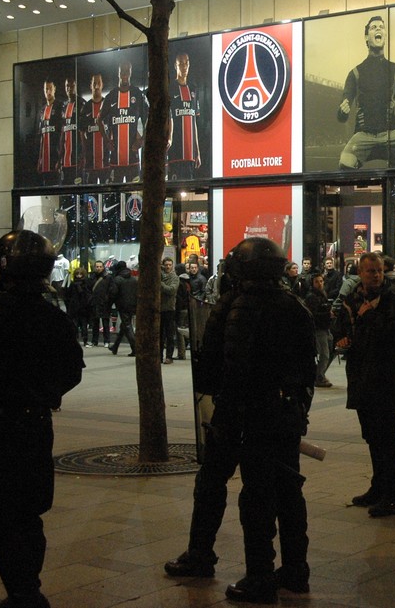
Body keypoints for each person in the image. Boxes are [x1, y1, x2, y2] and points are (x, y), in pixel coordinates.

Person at [166, 237, 315, 604]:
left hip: (238, 413)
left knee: (224, 487)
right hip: (281, 414)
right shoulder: (294, 306)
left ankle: (250, 572)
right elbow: (307, 367)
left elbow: (215, 365)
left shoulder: (232, 304)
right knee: (285, 492)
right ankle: (294, 571)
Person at [0, 229, 83, 606]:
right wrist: (43, 394)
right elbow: (72, 371)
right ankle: (28, 586)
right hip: (37, 423)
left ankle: (21, 590)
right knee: (28, 510)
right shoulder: (54, 317)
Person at [333, 252, 395, 517]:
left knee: (387, 438)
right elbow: (341, 327)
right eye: (370, 271)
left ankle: (394, 496)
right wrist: (343, 339)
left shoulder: (393, 300)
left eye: (378, 271)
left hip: (384, 380)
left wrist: (368, 317)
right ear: (360, 273)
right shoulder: (351, 299)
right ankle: (378, 488)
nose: (376, 275)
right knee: (372, 437)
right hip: (360, 377)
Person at [336, 15, 395, 169]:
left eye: (381, 27)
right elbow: (341, 115)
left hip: (391, 132)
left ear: (385, 35)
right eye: (374, 27)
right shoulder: (355, 73)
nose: (378, 29)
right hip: (363, 135)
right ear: (367, 37)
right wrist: (343, 110)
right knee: (344, 165)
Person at [96, 61, 147, 183]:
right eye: (122, 72)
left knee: (134, 197)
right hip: (115, 159)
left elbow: (148, 119)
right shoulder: (111, 96)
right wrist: (107, 140)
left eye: (127, 71)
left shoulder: (137, 94)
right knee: (115, 196)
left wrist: (142, 140)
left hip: (133, 159)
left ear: (131, 72)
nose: (124, 74)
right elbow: (98, 119)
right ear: (118, 73)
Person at [167, 52, 202, 181]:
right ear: (175, 66)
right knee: (175, 191)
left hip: (190, 154)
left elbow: (194, 123)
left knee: (188, 190)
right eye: (180, 64)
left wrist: (197, 151)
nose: (184, 66)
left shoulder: (193, 89)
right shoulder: (170, 88)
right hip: (175, 152)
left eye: (186, 63)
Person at [304, 273, 334, 388]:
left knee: (330, 351)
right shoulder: (311, 296)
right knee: (324, 354)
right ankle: (319, 377)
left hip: (325, 327)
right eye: (317, 281)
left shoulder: (322, 294)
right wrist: (327, 314)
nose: (320, 284)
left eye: (321, 281)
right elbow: (313, 314)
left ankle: (320, 374)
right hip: (319, 328)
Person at [80, 73, 108, 184]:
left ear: (102, 85)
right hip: (90, 161)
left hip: (106, 160)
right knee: (91, 197)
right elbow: (81, 133)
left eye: (99, 83)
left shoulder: (108, 104)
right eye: (94, 83)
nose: (96, 86)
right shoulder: (85, 107)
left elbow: (112, 129)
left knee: (107, 195)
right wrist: (85, 151)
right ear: (90, 85)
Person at [35, 80, 61, 186]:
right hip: (44, 161)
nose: (48, 91)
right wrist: (39, 160)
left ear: (54, 89)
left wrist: (60, 159)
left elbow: (62, 135)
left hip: (55, 158)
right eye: (46, 89)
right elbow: (42, 137)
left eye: (50, 88)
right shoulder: (42, 110)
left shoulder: (60, 107)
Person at [109, 261, 137, 357]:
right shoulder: (133, 279)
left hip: (122, 305)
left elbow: (113, 293)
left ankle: (135, 347)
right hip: (133, 305)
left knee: (127, 325)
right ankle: (115, 346)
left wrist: (109, 304)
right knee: (124, 325)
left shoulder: (117, 279)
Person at [58, 76, 83, 185]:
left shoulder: (82, 104)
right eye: (67, 86)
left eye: (72, 86)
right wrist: (60, 158)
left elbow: (84, 133)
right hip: (65, 161)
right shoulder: (63, 106)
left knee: (79, 194)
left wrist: (83, 155)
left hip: (77, 161)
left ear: (76, 87)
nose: (69, 88)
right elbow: (62, 133)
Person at [64, 267, 93, 347]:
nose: (79, 276)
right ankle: (84, 340)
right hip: (80, 308)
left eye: (80, 274)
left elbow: (67, 296)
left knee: (79, 325)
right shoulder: (84, 284)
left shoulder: (75, 284)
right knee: (80, 325)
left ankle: (81, 340)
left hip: (78, 308)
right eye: (77, 274)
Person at [89, 260, 115, 347]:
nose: (99, 268)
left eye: (100, 266)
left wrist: (108, 300)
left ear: (103, 267)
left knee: (105, 323)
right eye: (97, 266)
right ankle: (94, 341)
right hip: (95, 302)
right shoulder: (92, 277)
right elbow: (88, 289)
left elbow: (111, 290)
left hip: (105, 303)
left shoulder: (108, 277)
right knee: (95, 323)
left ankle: (106, 341)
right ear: (95, 267)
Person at [160, 257, 178, 364]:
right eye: (166, 265)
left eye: (169, 265)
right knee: (160, 335)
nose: (168, 267)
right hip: (160, 309)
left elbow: (171, 290)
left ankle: (169, 356)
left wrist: (161, 284)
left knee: (169, 335)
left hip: (169, 309)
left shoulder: (174, 278)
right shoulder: (160, 275)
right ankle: (159, 356)